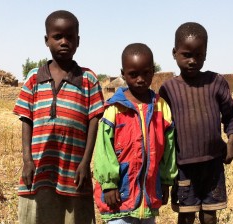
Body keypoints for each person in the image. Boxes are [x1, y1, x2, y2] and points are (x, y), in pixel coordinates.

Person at [13, 10, 104, 224]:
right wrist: (27, 161)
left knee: (75, 215)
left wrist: (85, 162)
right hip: (40, 164)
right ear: (47, 40)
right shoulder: (35, 78)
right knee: (38, 212)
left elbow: (94, 121)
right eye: (57, 37)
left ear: (78, 41)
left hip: (74, 167)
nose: (64, 42)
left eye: (70, 37)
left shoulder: (88, 79)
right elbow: (26, 119)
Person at [159, 22, 233, 224]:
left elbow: (231, 113)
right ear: (174, 53)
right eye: (186, 54)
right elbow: (162, 129)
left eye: (198, 55)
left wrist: (231, 142)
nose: (192, 61)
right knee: (186, 214)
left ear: (205, 54)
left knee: (210, 213)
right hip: (183, 165)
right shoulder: (168, 89)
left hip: (213, 161)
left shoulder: (216, 82)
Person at [93, 43, 177, 224]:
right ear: (123, 74)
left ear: (153, 71)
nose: (140, 79)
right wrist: (108, 185)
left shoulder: (160, 106)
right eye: (133, 74)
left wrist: (166, 180)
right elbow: (104, 150)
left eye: (146, 73)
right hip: (118, 197)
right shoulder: (114, 109)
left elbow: (168, 148)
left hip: (149, 195)